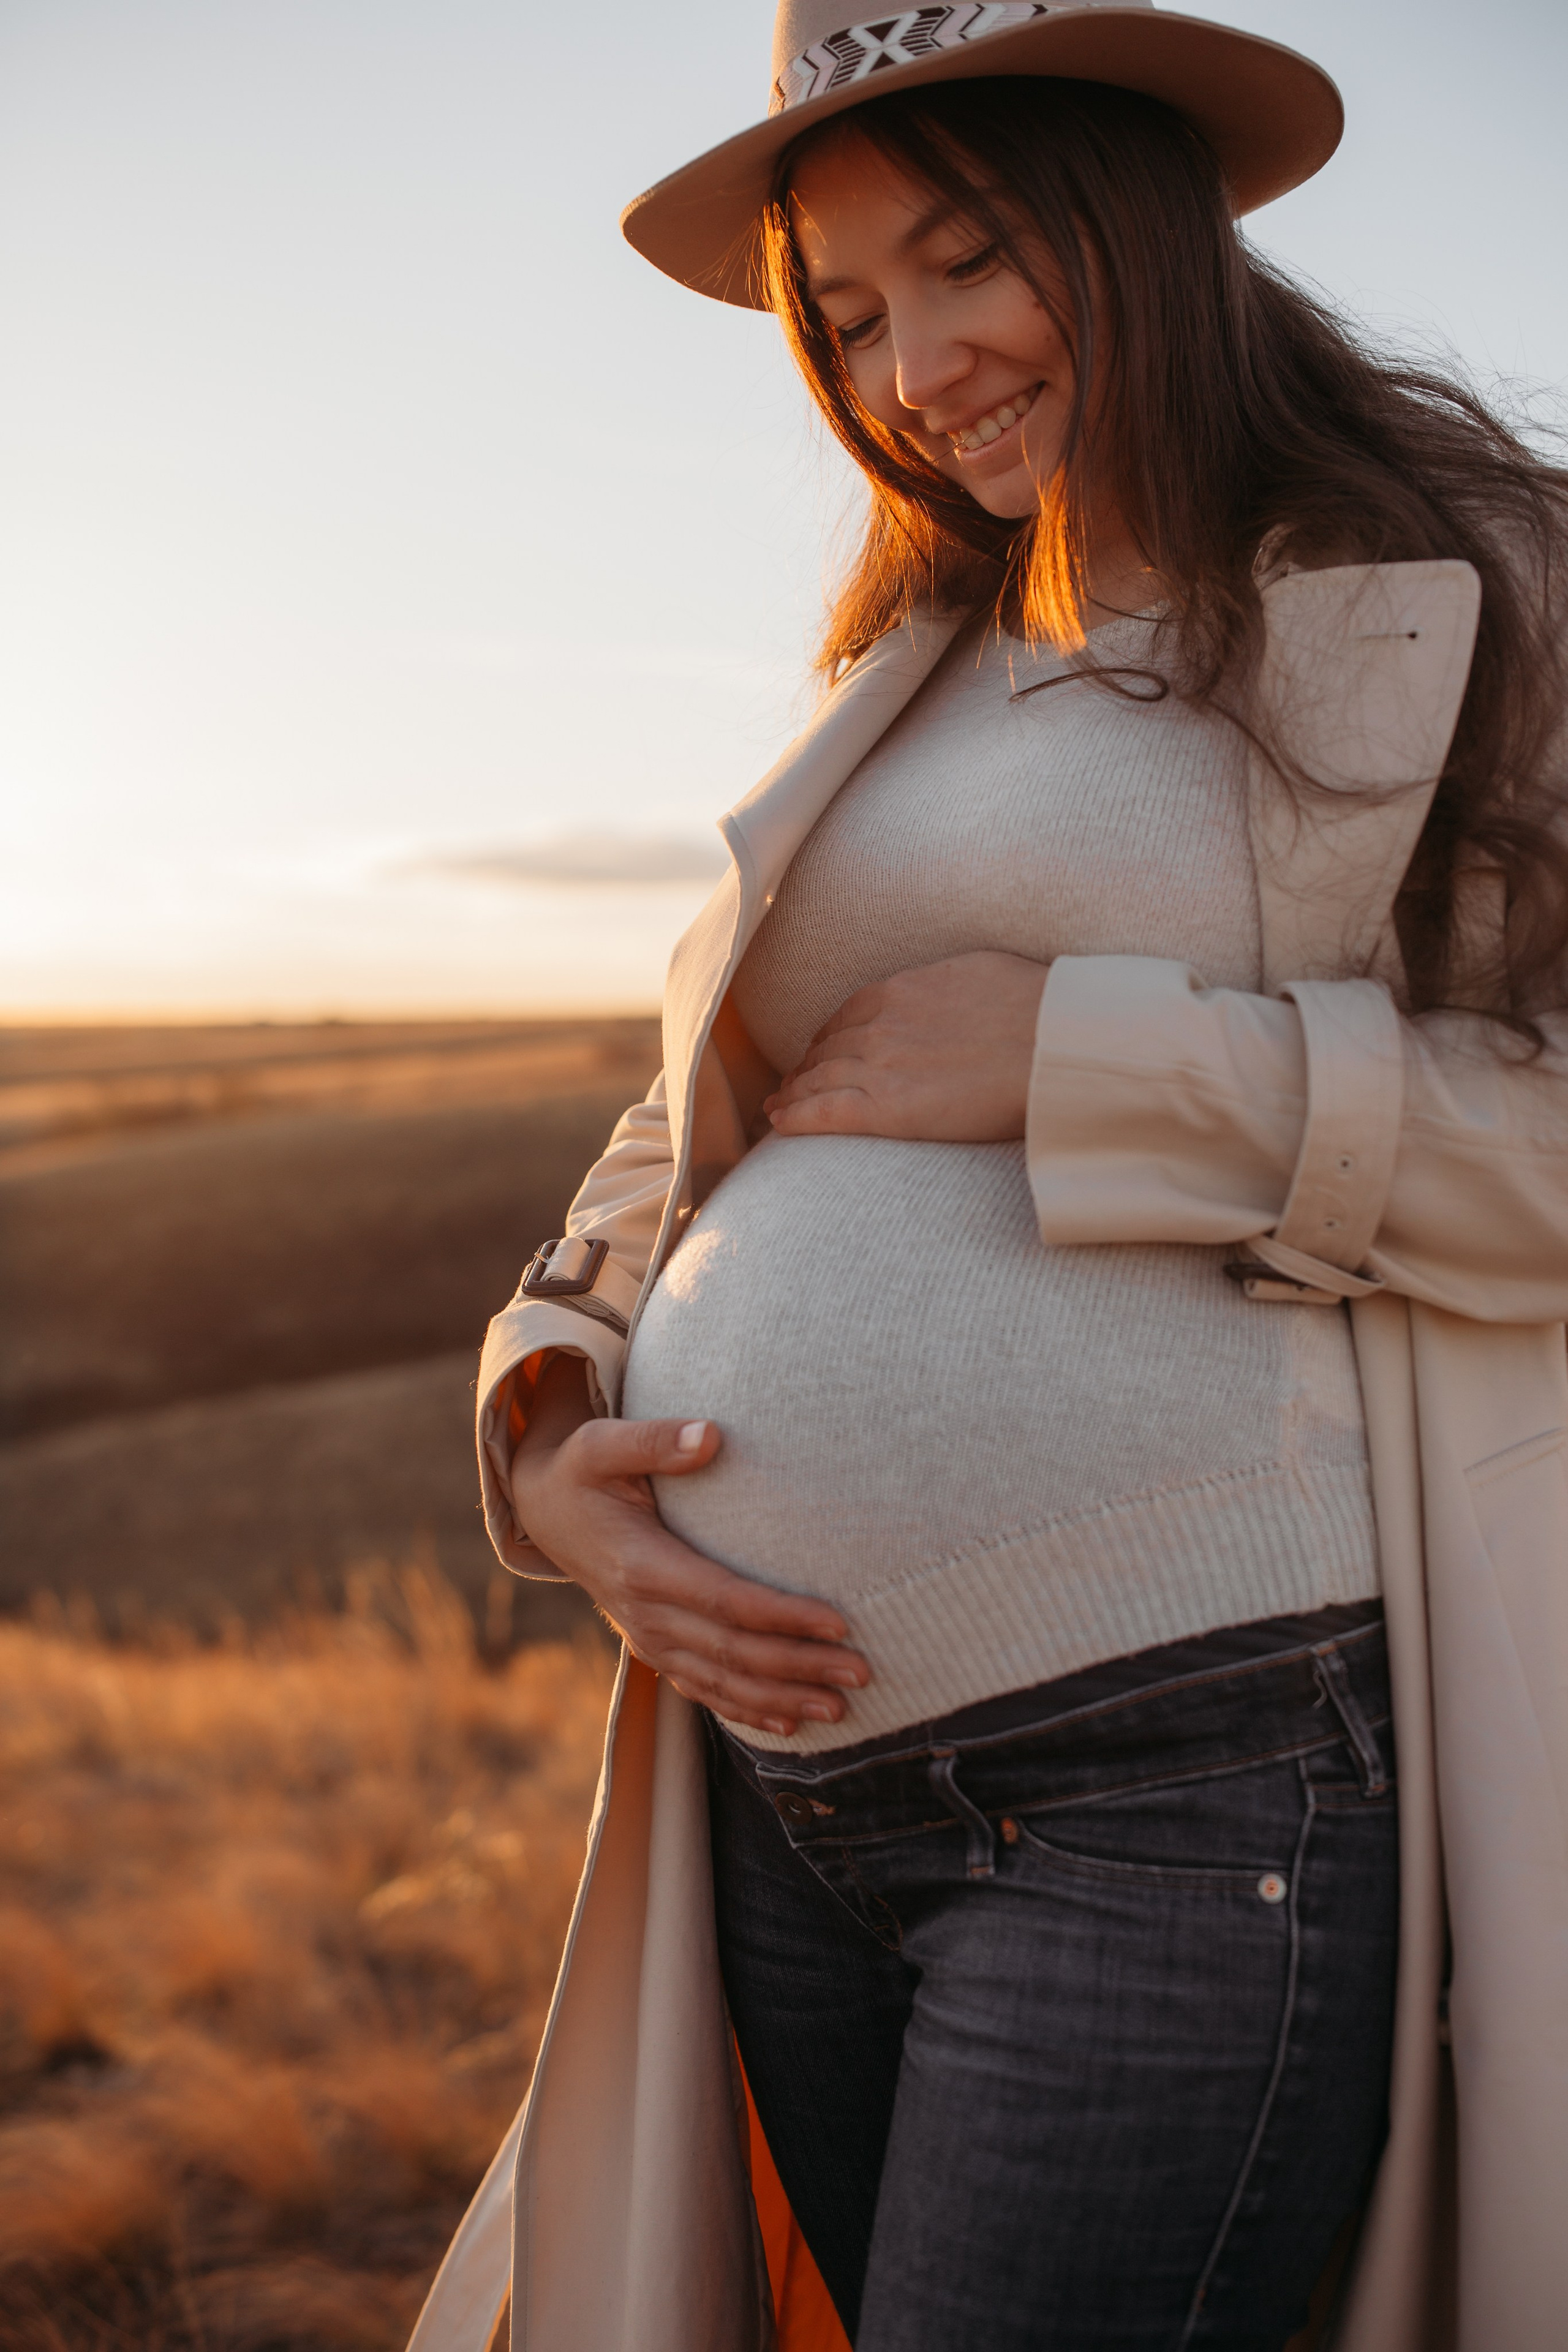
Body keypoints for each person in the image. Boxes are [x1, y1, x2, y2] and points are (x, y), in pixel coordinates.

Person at [410, 6, 1568, 2349]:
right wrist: (554, 1428)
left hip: (1199, 1771)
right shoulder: (916, 656)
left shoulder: (1466, 589)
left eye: (968, 263)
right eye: (848, 319)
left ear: (1137, 219)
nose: (917, 367)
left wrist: (1098, 1067)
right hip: (800, 1802)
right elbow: (709, 1109)